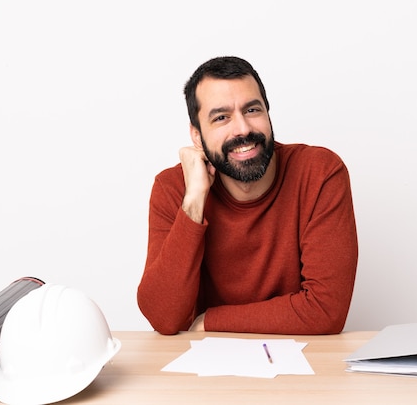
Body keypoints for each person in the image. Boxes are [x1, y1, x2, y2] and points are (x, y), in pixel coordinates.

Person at [137, 56, 358, 335]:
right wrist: (193, 200)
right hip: (204, 368)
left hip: (300, 367)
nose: (242, 129)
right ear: (197, 136)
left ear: (267, 113)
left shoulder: (320, 173)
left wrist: (209, 321)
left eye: (252, 110)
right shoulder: (173, 188)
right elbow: (163, 317)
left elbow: (326, 311)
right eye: (221, 117)